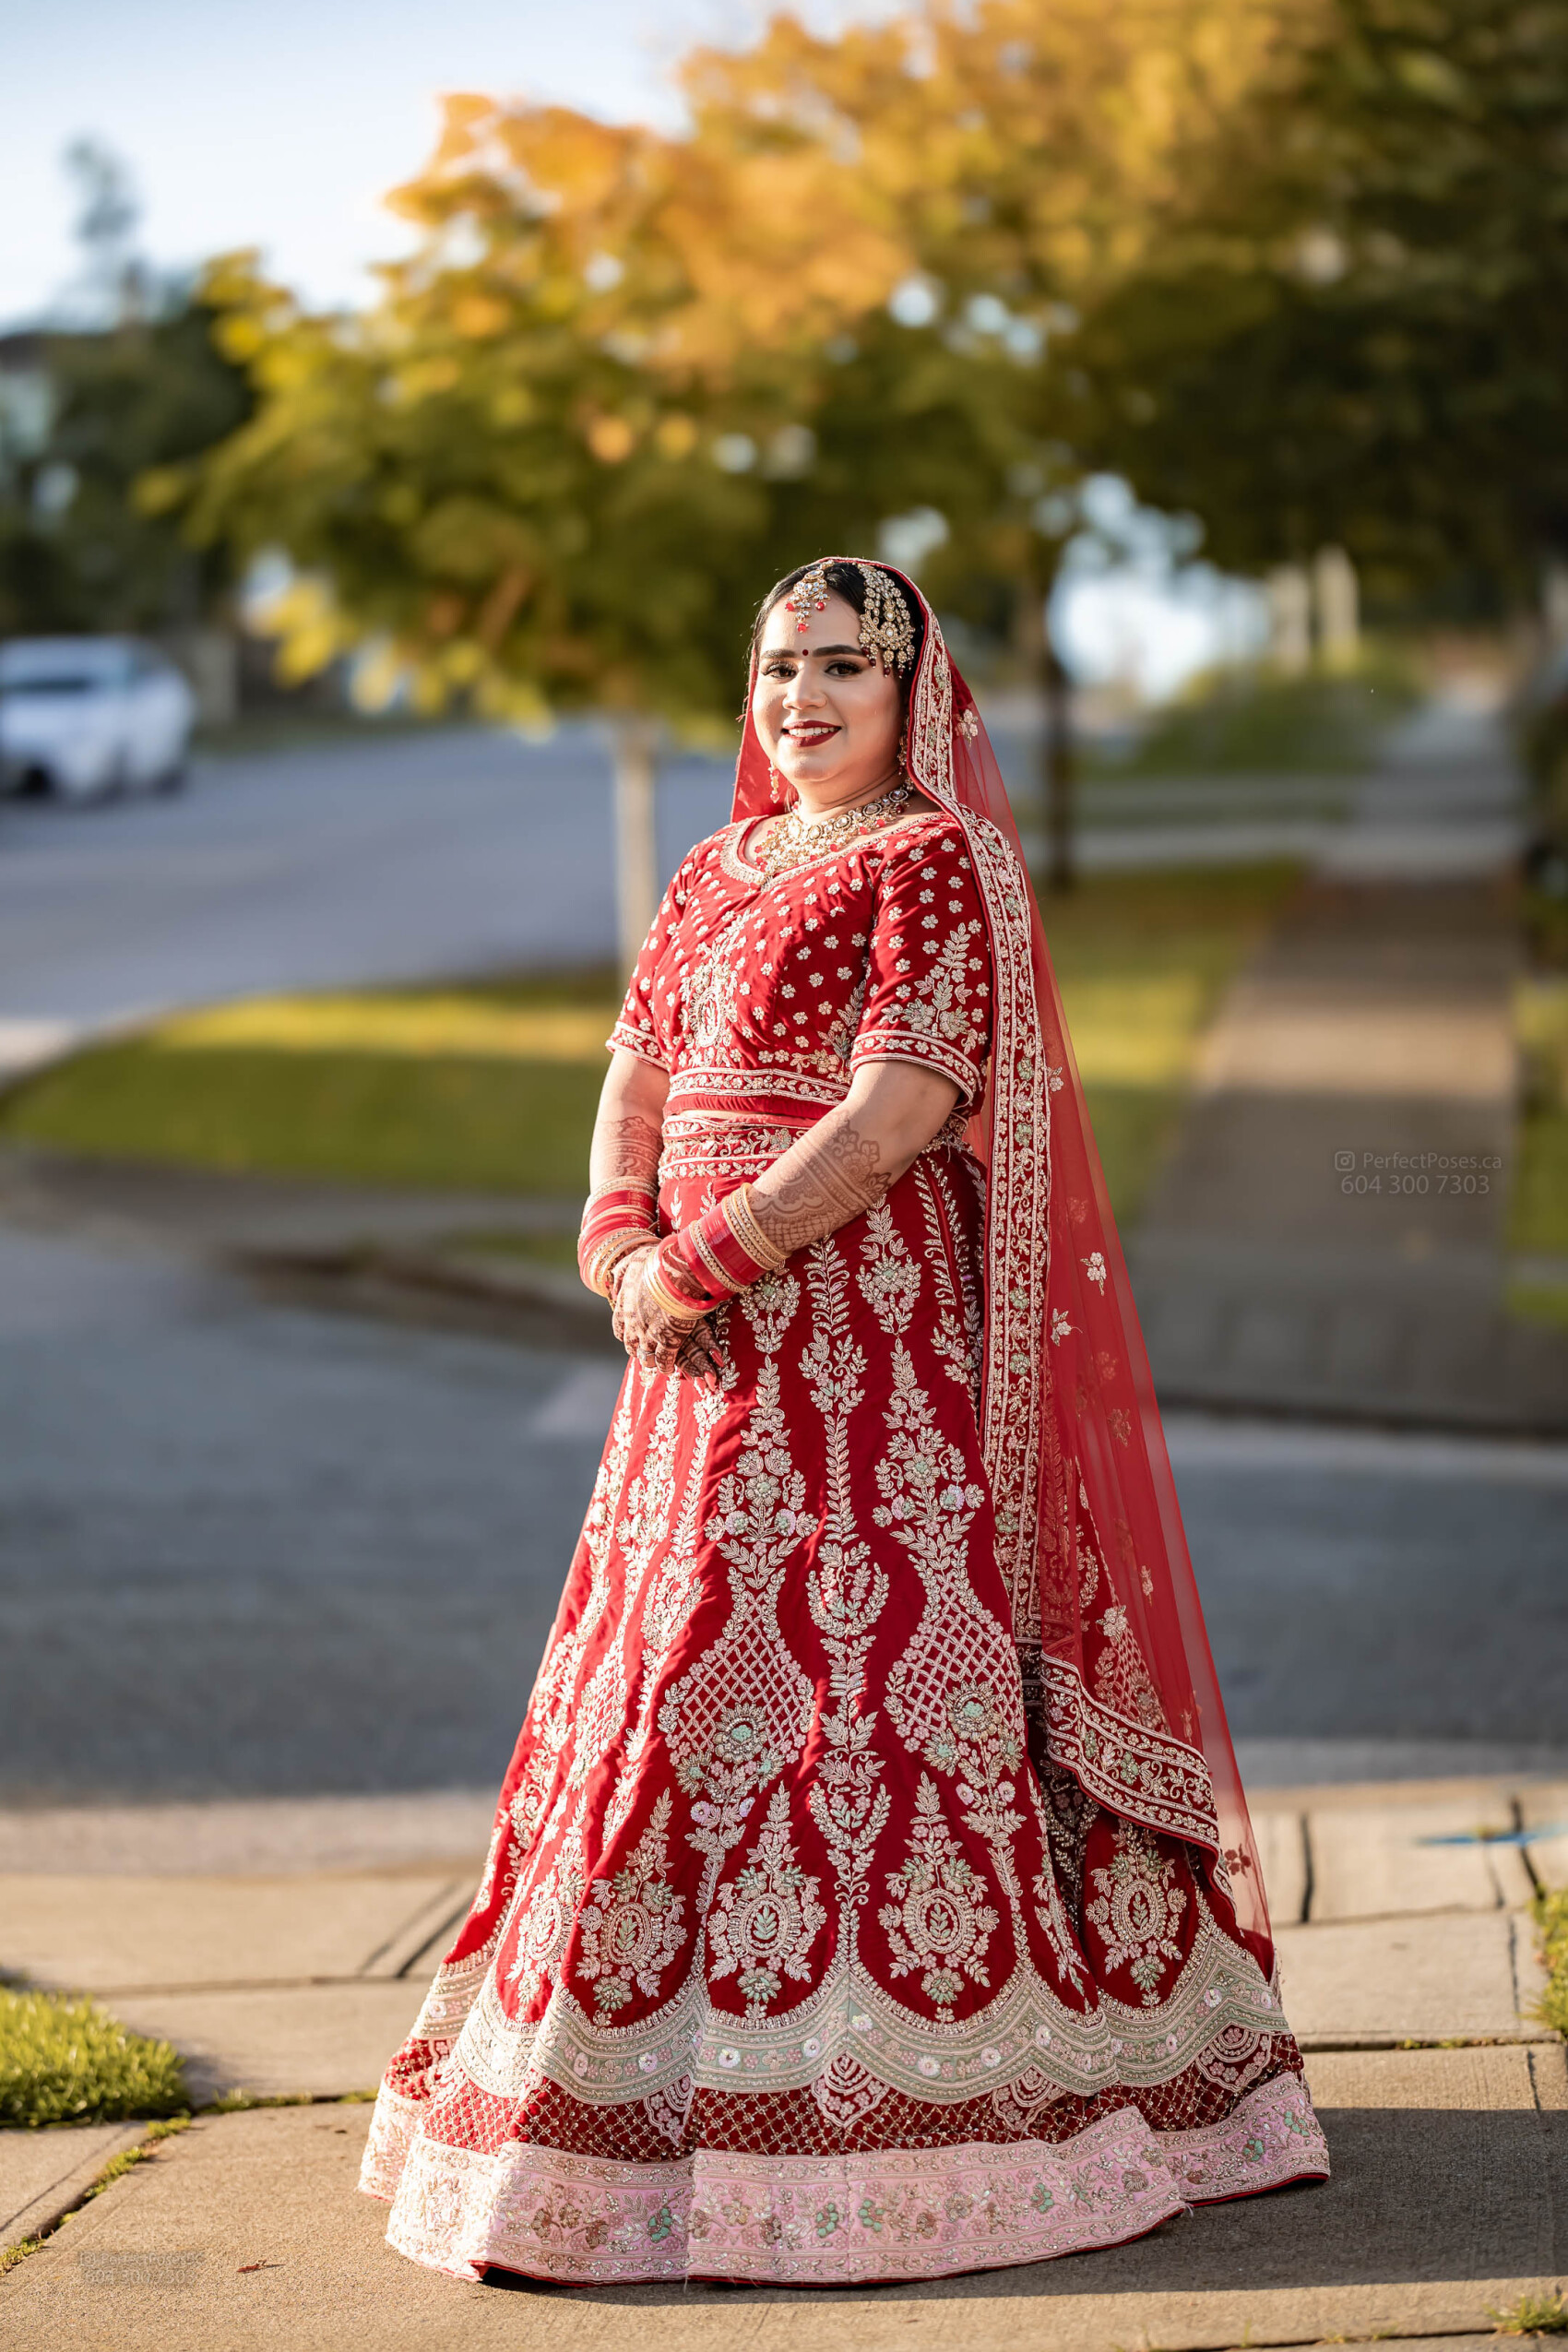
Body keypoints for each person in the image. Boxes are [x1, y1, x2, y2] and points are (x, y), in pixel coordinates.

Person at [361, 557, 1328, 2287]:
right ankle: (628, 2102)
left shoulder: (934, 857)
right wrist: (614, 1235)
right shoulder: (711, 867)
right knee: (659, 1677)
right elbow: (637, 1067)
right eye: (774, 668)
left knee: (854, 1686)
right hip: (690, 1348)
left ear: (910, 695)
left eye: (836, 670)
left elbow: (901, 1107)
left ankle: (917, 2112)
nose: (798, 699)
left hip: (860, 1347)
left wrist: (711, 1251)